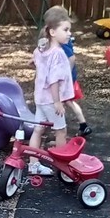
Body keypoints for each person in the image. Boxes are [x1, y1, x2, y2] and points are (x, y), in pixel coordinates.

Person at [27, 9, 75, 176]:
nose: (69, 34)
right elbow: (53, 80)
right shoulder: (58, 54)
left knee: (38, 130)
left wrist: (34, 62)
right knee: (61, 131)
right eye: (65, 30)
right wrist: (57, 102)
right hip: (51, 100)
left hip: (40, 98)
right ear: (53, 32)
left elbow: (34, 60)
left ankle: (33, 165)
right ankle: (62, 166)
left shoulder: (42, 48)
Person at [43, 6, 93, 136]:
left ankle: (83, 125)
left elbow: (71, 58)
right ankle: (54, 123)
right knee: (63, 100)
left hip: (66, 78)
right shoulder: (59, 40)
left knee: (67, 101)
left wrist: (66, 77)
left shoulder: (62, 43)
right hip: (64, 77)